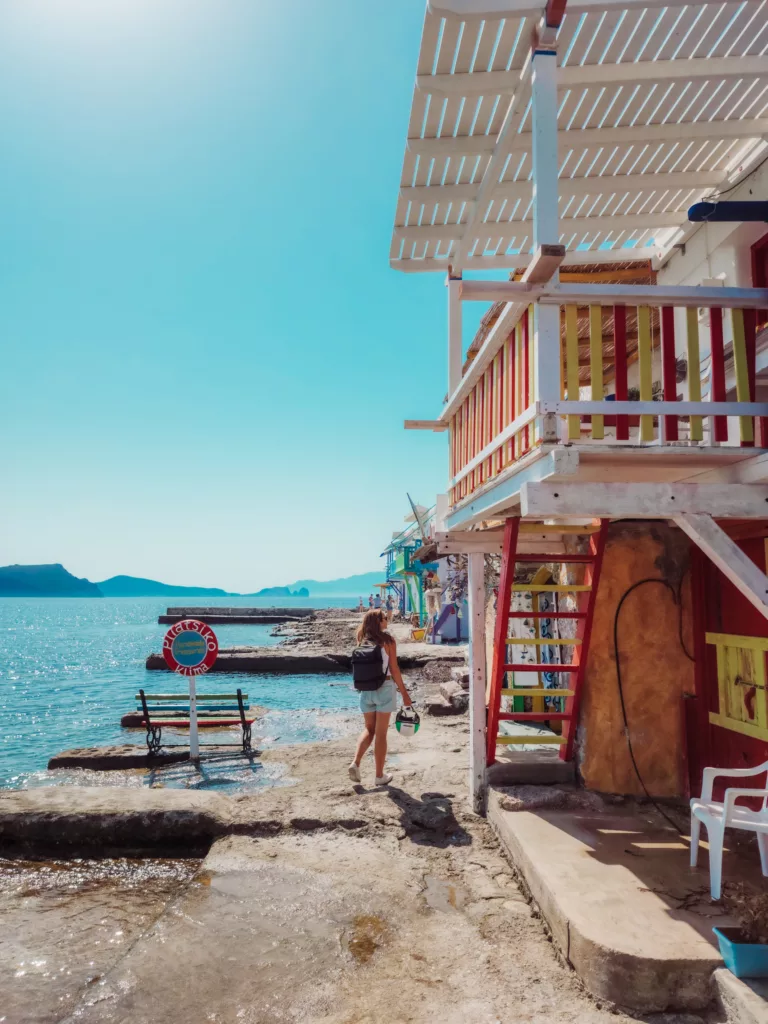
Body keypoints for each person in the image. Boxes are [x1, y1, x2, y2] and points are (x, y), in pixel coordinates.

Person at [348, 609, 413, 786]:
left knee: (369, 729)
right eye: (385, 618)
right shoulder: (388, 641)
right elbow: (394, 669)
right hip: (384, 688)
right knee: (381, 734)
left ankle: (356, 763)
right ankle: (379, 776)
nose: (387, 619)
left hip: (365, 690)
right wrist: (405, 695)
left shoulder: (362, 639)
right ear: (378, 621)